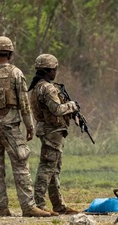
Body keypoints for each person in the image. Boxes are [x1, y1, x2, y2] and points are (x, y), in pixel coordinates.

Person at [0, 37, 53, 218]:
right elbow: (24, 103)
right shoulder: (16, 73)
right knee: (21, 165)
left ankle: (2, 208)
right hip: (10, 127)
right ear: (10, 53)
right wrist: (30, 126)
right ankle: (28, 207)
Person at [27, 53, 81, 215]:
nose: (55, 72)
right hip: (52, 131)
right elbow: (56, 110)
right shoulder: (48, 88)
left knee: (54, 169)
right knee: (47, 167)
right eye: (54, 69)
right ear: (48, 70)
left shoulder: (37, 87)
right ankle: (40, 204)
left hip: (49, 130)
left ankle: (59, 205)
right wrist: (72, 106)